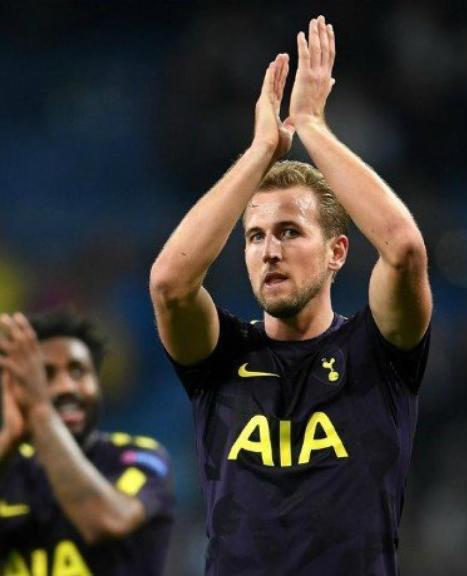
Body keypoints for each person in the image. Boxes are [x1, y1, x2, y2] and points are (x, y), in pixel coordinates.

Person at [149, 16, 432, 575]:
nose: (269, 250)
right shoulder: (222, 358)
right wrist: (261, 153)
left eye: (290, 232)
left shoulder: (377, 352)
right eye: (255, 236)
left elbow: (403, 249)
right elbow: (169, 284)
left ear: (337, 252)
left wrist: (310, 125)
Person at [0, 309, 175, 575]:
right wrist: (8, 440)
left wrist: (40, 410)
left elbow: (106, 521)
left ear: (97, 383)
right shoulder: (6, 471)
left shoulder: (136, 457)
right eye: (45, 376)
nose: (66, 387)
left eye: (78, 372)